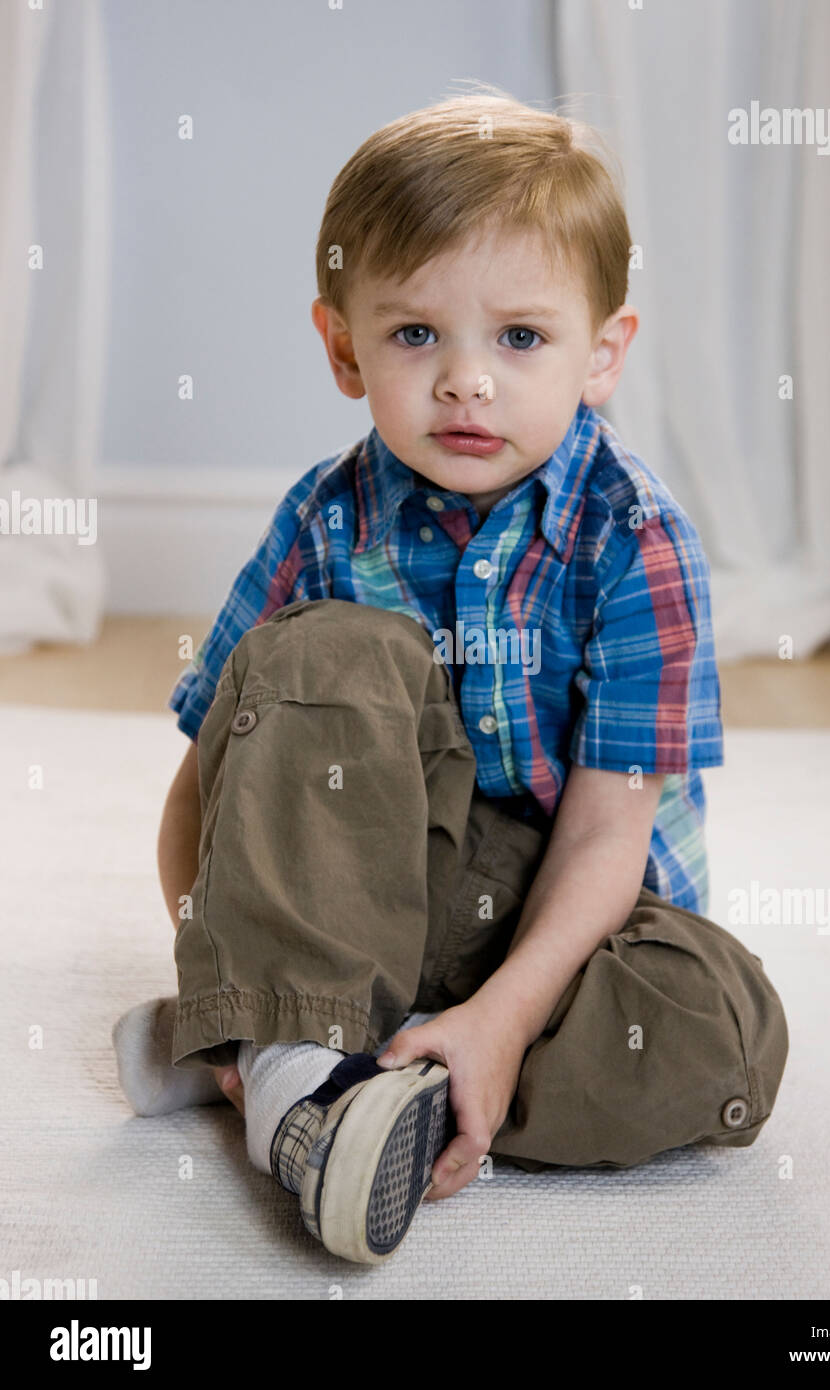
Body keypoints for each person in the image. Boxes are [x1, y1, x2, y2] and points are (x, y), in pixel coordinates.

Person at [113, 88, 788, 1266]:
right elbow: (207, 787)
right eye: (416, 334)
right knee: (328, 652)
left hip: (567, 921)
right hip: (363, 886)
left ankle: (344, 1061)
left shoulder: (636, 538)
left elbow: (601, 841)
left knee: (722, 1031)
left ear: (602, 354)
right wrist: (200, 939)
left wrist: (501, 1016)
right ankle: (274, 1042)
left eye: (520, 338)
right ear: (342, 347)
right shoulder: (328, 521)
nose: (466, 381)